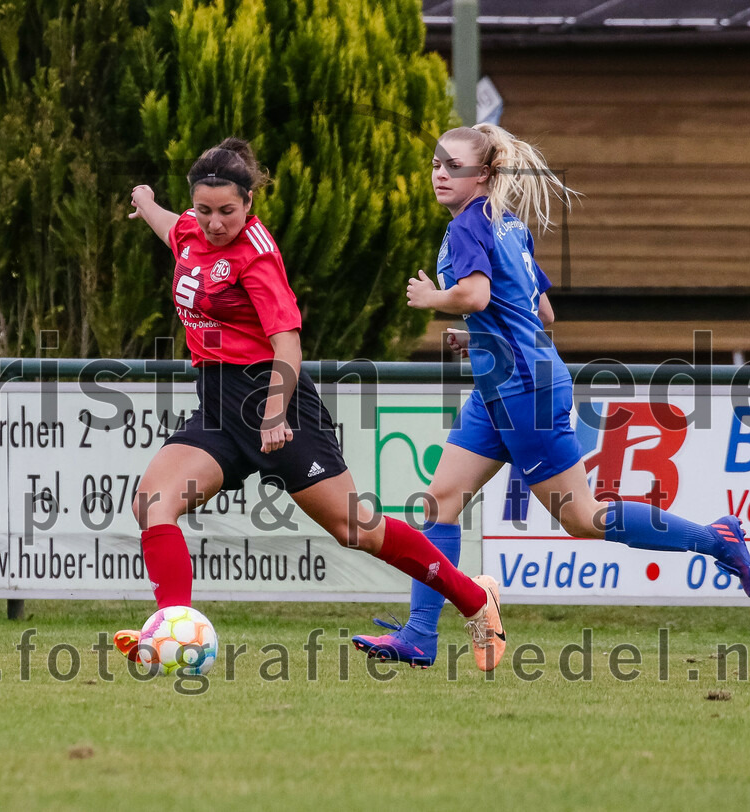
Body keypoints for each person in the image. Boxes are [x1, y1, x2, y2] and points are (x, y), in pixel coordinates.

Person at [352, 123, 750, 668]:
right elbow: (541, 312)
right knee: (439, 502)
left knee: (582, 517)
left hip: (525, 392)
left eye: (456, 167)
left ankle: (717, 537)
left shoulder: (470, 225)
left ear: (487, 174)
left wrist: (433, 299)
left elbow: (474, 293)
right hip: (504, 387)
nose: (441, 175)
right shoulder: (509, 225)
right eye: (436, 164)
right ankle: (420, 636)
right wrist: (482, 333)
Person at [113, 137, 507, 672]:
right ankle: (171, 630)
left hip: (278, 406)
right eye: (204, 210)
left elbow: (288, 345)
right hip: (219, 411)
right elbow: (175, 234)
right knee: (153, 502)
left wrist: (275, 412)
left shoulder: (256, 256)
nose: (214, 223)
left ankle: (472, 598)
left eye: (227, 211)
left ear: (249, 202)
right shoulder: (191, 230)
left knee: (356, 529)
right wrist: (146, 204)